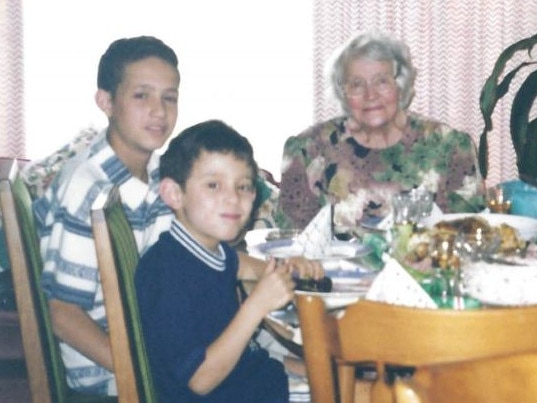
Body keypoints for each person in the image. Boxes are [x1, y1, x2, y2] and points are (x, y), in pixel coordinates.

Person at [135, 120, 324, 402]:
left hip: (247, 378)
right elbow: (199, 380)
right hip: (222, 394)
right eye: (213, 185)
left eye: (244, 186)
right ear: (174, 194)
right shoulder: (166, 273)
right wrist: (256, 305)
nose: (233, 198)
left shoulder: (209, 252)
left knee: (337, 371)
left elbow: (242, 264)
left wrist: (289, 269)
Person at [33, 36, 181, 396]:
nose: (159, 111)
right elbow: (63, 314)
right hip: (109, 374)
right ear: (106, 102)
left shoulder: (160, 176)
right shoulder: (89, 188)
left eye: (169, 97)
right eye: (142, 95)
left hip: (148, 345)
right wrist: (141, 372)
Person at [277, 31, 485, 230]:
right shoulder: (307, 150)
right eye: (357, 85)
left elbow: (471, 235)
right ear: (343, 92)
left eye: (382, 81)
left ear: (401, 84)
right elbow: (290, 243)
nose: (371, 95)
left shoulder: (450, 147)